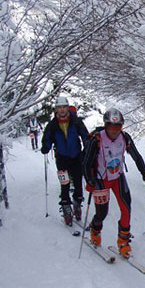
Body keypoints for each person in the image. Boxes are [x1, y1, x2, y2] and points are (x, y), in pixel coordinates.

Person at [82, 108, 145, 258]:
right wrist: (89, 180)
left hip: (118, 178)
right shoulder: (97, 139)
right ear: (106, 125)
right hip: (101, 179)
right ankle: (95, 230)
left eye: (118, 126)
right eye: (111, 126)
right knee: (102, 213)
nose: (114, 130)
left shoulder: (125, 138)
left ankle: (123, 241)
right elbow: (86, 162)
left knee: (126, 209)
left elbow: (137, 157)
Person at [41, 96, 89, 225]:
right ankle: (66, 207)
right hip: (61, 158)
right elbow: (47, 138)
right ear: (56, 109)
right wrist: (45, 147)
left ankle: (77, 204)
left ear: (68, 108)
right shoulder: (52, 125)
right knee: (65, 184)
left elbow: (85, 135)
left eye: (64, 107)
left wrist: (86, 149)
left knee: (78, 183)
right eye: (59, 107)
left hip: (76, 157)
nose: (62, 110)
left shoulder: (76, 121)